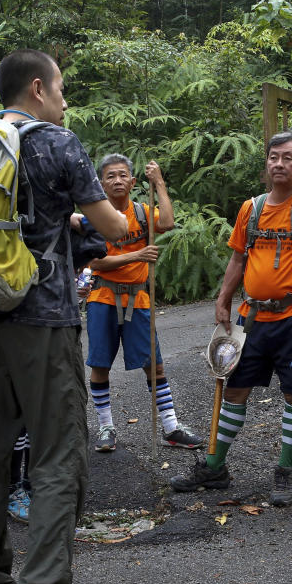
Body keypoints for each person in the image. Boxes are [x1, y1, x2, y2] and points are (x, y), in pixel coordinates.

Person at [0, 49, 127, 584]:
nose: (64, 99)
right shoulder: (57, 141)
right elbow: (113, 227)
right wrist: (100, 221)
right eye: (60, 88)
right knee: (58, 454)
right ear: (37, 88)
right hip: (41, 319)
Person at [169, 128, 292, 506]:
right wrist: (223, 300)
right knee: (234, 391)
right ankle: (215, 466)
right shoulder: (251, 209)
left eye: (287, 157)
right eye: (273, 157)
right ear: (266, 163)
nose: (279, 164)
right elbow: (238, 257)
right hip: (249, 320)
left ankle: (284, 471)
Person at [84, 153, 201, 452]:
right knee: (100, 365)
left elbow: (169, 222)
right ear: (101, 183)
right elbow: (95, 263)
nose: (118, 180)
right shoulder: (95, 217)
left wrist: (159, 183)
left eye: (123, 175)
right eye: (111, 176)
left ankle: (171, 427)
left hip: (139, 298)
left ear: (133, 181)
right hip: (103, 297)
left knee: (155, 366)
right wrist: (137, 255)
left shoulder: (142, 212)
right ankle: (106, 427)